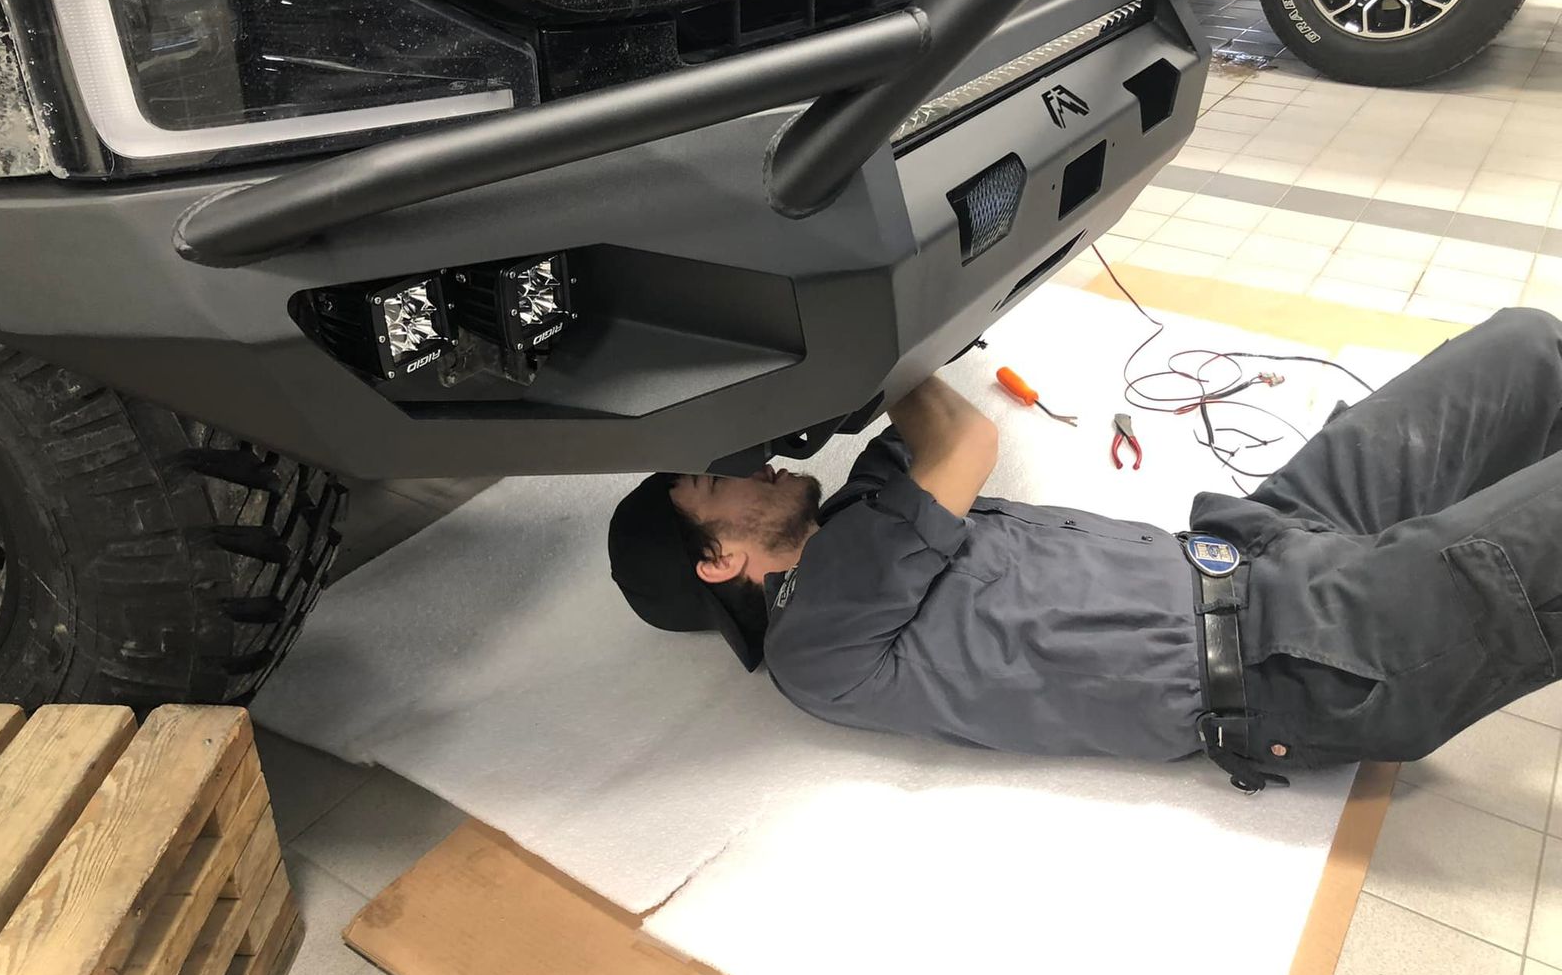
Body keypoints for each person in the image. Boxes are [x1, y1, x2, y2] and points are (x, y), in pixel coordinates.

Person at [607, 308, 1562, 791]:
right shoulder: (814, 638)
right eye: (716, 482)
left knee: (1526, 349)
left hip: (1260, 541)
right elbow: (961, 440)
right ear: (717, 560)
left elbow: (924, 407)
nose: (753, 465)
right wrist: (867, 348)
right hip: (1308, 656)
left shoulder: (860, 508)